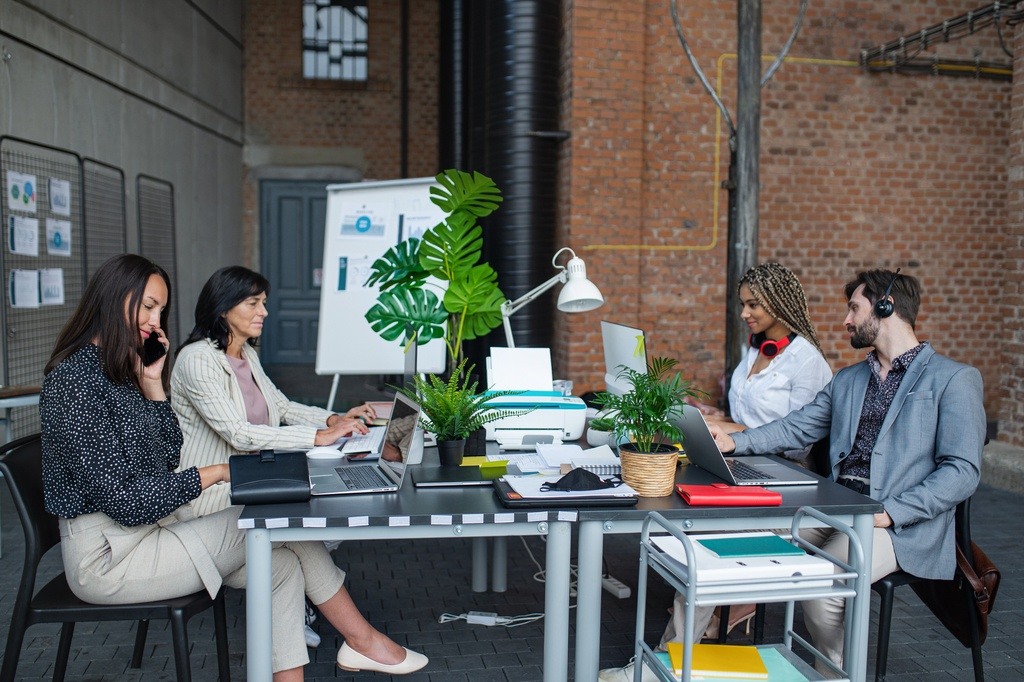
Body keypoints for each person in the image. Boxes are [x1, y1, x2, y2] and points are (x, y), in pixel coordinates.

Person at [40, 254, 427, 680]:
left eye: (161, 310)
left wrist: (153, 385)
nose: (156, 320)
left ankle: (350, 649)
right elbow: (127, 502)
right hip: (110, 557)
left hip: (153, 531)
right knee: (280, 526)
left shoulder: (120, 369)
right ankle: (363, 641)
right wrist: (218, 473)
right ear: (113, 300)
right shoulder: (75, 380)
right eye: (148, 307)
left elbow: (168, 453)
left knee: (280, 566)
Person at [710, 268, 983, 676]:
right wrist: (734, 442)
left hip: (899, 524)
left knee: (820, 582)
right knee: (741, 547)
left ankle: (832, 672)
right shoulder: (850, 379)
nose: (846, 320)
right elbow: (797, 426)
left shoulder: (954, 379)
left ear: (886, 306)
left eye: (854, 308)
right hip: (837, 505)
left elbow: (961, 472)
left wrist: (891, 511)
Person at [599, 262, 833, 682]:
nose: (745, 313)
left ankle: (663, 662)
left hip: (787, 478)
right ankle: (687, 642)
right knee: (686, 519)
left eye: (753, 304)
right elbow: (748, 416)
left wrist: (727, 429)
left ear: (781, 303)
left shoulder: (807, 362)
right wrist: (715, 416)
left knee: (704, 543)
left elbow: (799, 438)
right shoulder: (756, 350)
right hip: (744, 463)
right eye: (742, 304)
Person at [170, 265, 376, 518]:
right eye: (253, 303)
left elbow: (283, 407)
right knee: (322, 509)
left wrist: (335, 420)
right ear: (223, 308)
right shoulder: (198, 359)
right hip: (212, 494)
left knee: (328, 503)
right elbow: (239, 433)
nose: (264, 312)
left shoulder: (245, 353)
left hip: (250, 479)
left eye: (264, 303)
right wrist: (320, 437)